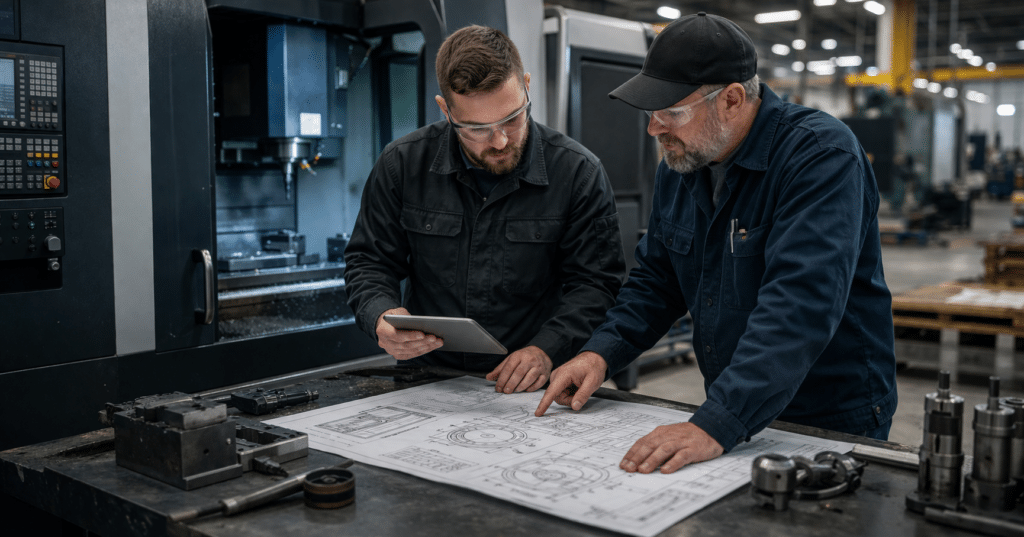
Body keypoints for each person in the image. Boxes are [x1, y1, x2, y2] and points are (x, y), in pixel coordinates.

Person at [535, 12, 897, 474]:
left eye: (671, 113)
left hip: (827, 417)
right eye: (651, 113)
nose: (655, 129)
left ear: (731, 99)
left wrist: (717, 422)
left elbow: (800, 304)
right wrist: (601, 351)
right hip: (736, 404)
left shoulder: (820, 157)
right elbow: (656, 280)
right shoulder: (682, 166)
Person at [344, 25, 625, 394]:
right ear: (445, 110)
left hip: (532, 383)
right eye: (477, 128)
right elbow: (370, 260)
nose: (500, 140)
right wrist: (381, 313)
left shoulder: (577, 173)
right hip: (427, 381)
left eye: (512, 117)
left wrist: (546, 349)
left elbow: (596, 285)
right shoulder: (402, 165)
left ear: (526, 86)